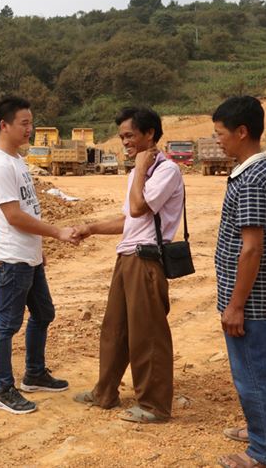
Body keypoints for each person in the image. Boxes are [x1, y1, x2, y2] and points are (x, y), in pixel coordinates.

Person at [71, 106, 183, 424]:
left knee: (147, 333)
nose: (125, 142)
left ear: (150, 134)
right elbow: (127, 220)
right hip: (128, 256)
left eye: (130, 135)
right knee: (115, 329)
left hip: (146, 259)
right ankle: (105, 392)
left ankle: (155, 406)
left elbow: (137, 207)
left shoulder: (167, 171)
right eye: (121, 137)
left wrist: (142, 167)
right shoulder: (139, 173)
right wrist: (92, 227)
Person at [0, 96, 77, 415]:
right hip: (11, 257)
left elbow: (27, 208)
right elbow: (14, 216)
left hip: (28, 255)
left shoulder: (17, 160)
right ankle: (2, 388)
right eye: (24, 123)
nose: (30, 129)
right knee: (7, 324)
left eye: (31, 123)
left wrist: (38, 247)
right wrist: (57, 232)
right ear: (4, 125)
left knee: (43, 313)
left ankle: (34, 373)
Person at [212, 96, 266, 468]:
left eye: (220, 134)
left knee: (253, 371)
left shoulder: (252, 180)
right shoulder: (255, 171)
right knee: (265, 364)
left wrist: (236, 304)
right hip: (257, 295)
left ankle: (264, 451)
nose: (217, 141)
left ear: (241, 132)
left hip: (249, 299)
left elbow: (251, 248)